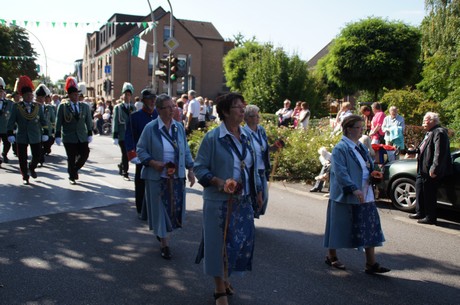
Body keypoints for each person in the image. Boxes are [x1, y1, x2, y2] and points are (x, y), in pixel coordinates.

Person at [194, 93, 263, 305]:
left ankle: (225, 278)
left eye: (243, 106)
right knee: (218, 244)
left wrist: (258, 190)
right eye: (237, 107)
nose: (243, 110)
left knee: (237, 243)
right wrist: (218, 182)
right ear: (225, 112)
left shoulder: (247, 136)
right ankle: (218, 289)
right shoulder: (213, 138)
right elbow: (199, 168)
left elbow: (252, 168)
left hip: (243, 202)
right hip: (219, 202)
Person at [323, 115, 390, 274]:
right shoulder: (341, 148)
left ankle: (371, 263)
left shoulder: (360, 147)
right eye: (358, 127)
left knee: (369, 226)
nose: (362, 130)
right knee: (339, 226)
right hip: (347, 195)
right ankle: (331, 256)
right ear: (348, 129)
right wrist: (353, 188)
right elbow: (340, 172)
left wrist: (374, 172)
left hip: (365, 194)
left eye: (362, 127)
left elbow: (368, 165)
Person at [136, 94, 195, 260]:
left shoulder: (179, 128)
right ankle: (165, 244)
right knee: (161, 211)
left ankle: (162, 234)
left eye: (173, 106)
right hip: (157, 177)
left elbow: (186, 150)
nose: (172, 110)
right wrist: (153, 163)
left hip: (176, 178)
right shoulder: (151, 128)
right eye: (167, 107)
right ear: (159, 110)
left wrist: (190, 169)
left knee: (172, 210)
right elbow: (141, 150)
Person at [408, 112, 452, 225]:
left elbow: (439, 153)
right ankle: (420, 212)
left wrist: (434, 168)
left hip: (430, 169)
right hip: (422, 168)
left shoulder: (439, 132)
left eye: (425, 120)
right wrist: (413, 151)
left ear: (433, 121)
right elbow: (424, 148)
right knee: (419, 189)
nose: (423, 122)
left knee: (429, 193)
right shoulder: (429, 132)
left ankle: (430, 217)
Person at [6, 76, 49, 185]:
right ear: (23, 96)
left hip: (35, 135)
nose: (30, 97)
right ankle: (25, 176)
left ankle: (32, 167)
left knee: (37, 155)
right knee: (22, 158)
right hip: (22, 135)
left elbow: (43, 121)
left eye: (31, 95)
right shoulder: (17, 107)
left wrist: (45, 133)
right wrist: (10, 133)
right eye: (27, 95)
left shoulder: (38, 106)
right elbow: (11, 121)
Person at [125, 89, 158, 219]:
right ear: (143, 100)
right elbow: (129, 136)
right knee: (141, 183)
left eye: (154, 99)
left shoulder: (158, 115)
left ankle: (153, 208)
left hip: (156, 154)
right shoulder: (135, 116)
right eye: (149, 99)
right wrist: (132, 153)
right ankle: (140, 209)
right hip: (141, 156)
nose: (152, 101)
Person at [55, 76, 93, 185]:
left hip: (81, 135)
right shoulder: (63, 106)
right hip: (69, 136)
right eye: (74, 95)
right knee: (71, 157)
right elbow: (59, 121)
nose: (76, 97)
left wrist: (90, 132)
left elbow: (88, 121)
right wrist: (57, 135)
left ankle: (74, 169)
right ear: (69, 96)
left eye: (77, 95)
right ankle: (72, 176)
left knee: (85, 153)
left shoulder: (84, 106)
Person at [243, 104, 279, 218]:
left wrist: (273, 147)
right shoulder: (244, 132)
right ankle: (249, 218)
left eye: (258, 115)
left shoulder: (261, 130)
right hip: (252, 169)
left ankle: (253, 215)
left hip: (262, 168)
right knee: (254, 196)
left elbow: (264, 147)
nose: (257, 118)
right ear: (246, 118)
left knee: (263, 197)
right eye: (254, 116)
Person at [112, 82, 136, 181]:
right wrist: (115, 136)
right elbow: (115, 122)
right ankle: (125, 172)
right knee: (125, 153)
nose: (127, 96)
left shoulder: (133, 107)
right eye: (125, 94)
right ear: (122, 95)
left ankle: (121, 166)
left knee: (128, 153)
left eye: (129, 95)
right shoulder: (118, 107)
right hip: (122, 134)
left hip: (130, 135)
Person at [0, 77, 14, 164]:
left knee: (7, 144)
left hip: (5, 127)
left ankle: (4, 154)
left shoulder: (9, 103)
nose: (0, 93)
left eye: (1, 92)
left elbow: (13, 116)